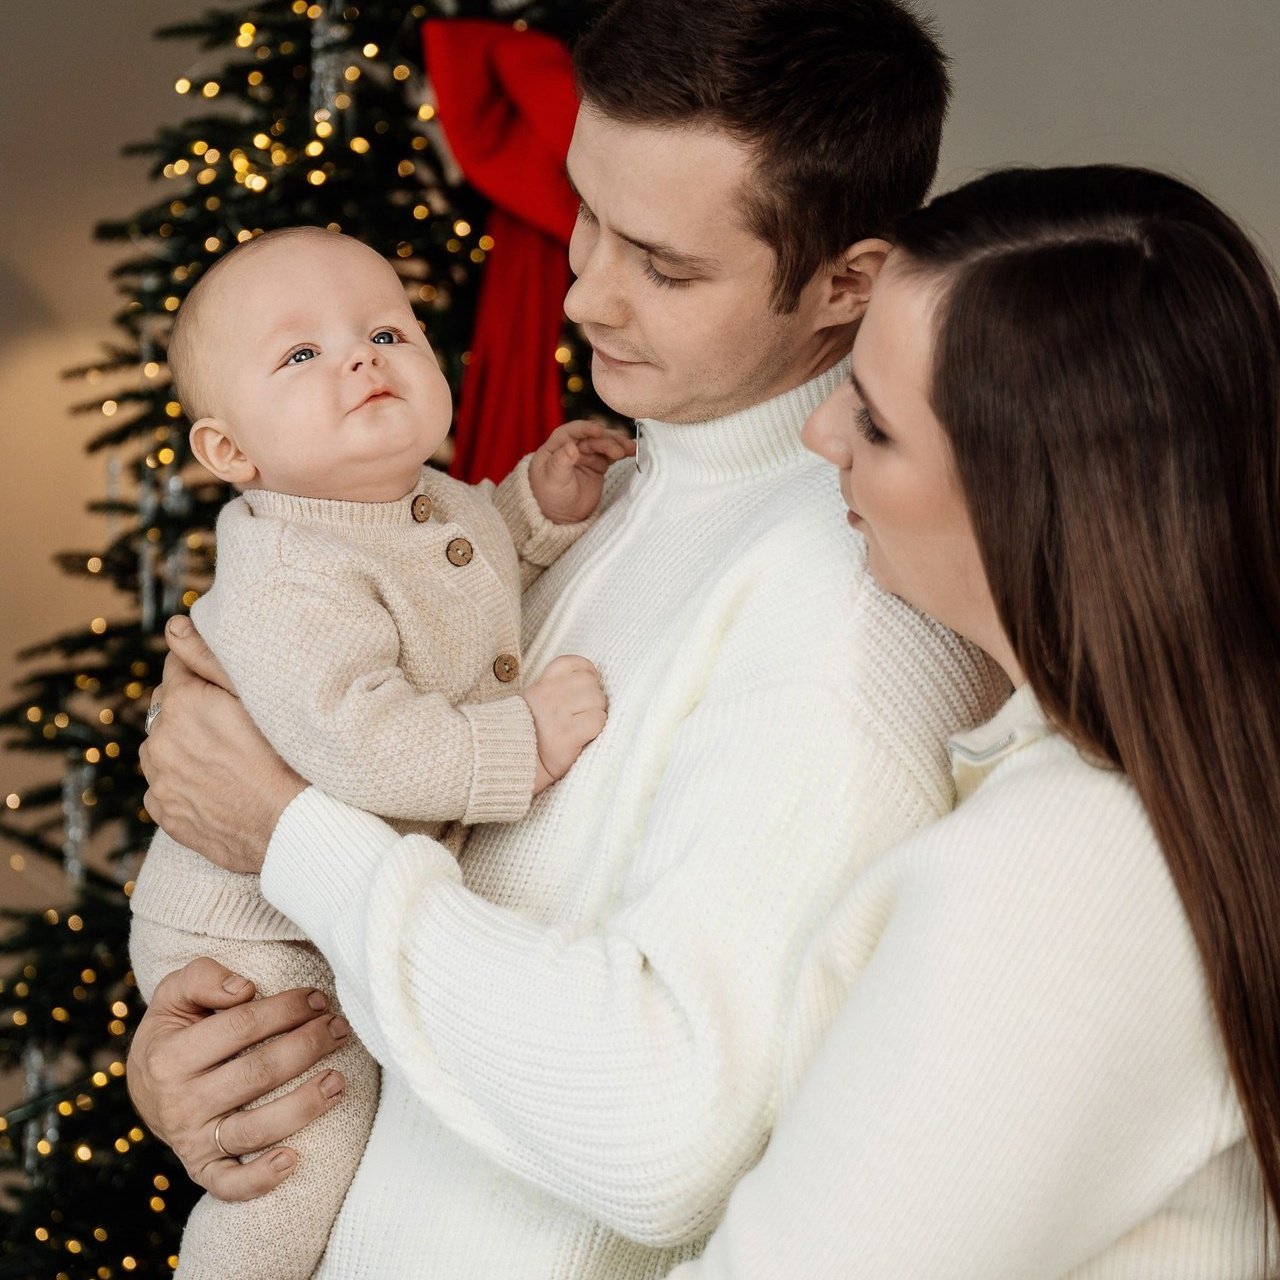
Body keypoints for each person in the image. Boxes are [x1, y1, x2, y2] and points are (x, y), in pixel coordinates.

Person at [130, 2, 1008, 1276]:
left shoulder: (851, 614)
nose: (585, 283)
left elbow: (664, 1134)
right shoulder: (596, 493)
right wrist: (213, 1068)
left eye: (662, 263)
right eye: (585, 209)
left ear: (847, 283)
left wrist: (283, 830)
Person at [670, 164, 1280, 1278]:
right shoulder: (1122, 805)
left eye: (877, 423)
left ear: (1034, 501)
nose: (818, 433)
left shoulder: (1067, 875)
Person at [128, 225, 632, 1279]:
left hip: (323, 899)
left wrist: (533, 512)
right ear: (230, 454)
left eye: (384, 329)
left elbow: (454, 582)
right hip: (252, 945)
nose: (360, 357)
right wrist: (520, 740)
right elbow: (359, 741)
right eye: (301, 354)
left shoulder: (425, 500)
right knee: (301, 1158)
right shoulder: (283, 571)